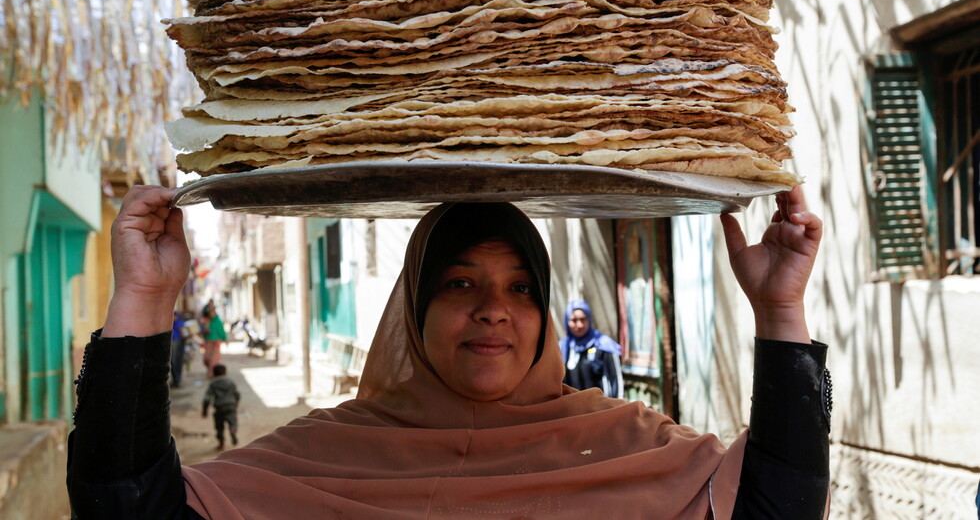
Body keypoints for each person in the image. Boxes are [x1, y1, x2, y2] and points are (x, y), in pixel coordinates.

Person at [67, 185, 830, 519]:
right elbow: (127, 509)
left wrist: (780, 307)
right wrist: (144, 300)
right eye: (460, 281)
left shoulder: (633, 450)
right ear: (415, 307)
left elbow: (779, 509)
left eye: (521, 287)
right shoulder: (323, 461)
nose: (494, 307)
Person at [560, 299, 624, 398]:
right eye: (574, 320)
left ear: (589, 319)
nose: (579, 325)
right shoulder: (563, 347)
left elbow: (616, 379)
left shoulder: (604, 345)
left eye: (583, 319)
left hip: (601, 409)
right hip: (573, 409)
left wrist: (618, 408)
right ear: (567, 321)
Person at [201, 364, 240, 451]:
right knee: (233, 421)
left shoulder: (213, 384)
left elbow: (207, 398)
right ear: (225, 372)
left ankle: (221, 443)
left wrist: (204, 411)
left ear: (214, 374)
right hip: (231, 407)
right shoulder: (230, 382)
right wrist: (235, 404)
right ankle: (233, 430)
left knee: (219, 427)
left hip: (219, 408)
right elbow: (237, 395)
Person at [201, 298, 227, 375]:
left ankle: (211, 374)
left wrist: (224, 339)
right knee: (206, 358)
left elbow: (221, 331)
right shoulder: (207, 320)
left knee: (214, 360)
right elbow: (203, 331)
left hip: (216, 342)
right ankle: (210, 371)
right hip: (208, 341)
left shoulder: (218, 321)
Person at [170, 311, 186, 388]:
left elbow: (184, 334)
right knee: (173, 362)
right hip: (173, 343)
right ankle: (175, 380)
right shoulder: (172, 323)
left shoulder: (180, 323)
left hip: (177, 343)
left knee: (176, 362)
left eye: (174, 316)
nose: (173, 318)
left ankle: (177, 380)